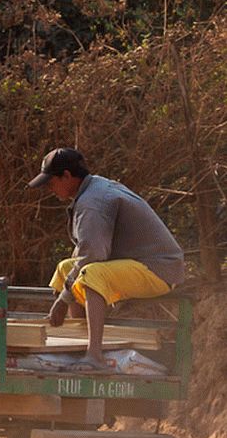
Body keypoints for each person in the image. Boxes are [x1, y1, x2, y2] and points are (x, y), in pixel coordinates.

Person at [27, 147, 185, 371]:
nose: (49, 189)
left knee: (91, 273)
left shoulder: (92, 202)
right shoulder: (93, 188)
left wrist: (63, 300)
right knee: (65, 268)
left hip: (160, 269)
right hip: (133, 262)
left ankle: (94, 355)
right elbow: (87, 252)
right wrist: (67, 292)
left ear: (67, 176)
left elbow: (94, 255)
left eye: (51, 182)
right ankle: (78, 345)